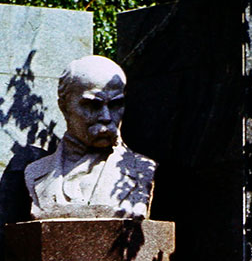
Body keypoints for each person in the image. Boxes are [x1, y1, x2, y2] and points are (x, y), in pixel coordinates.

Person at [24, 55, 156, 220]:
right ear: (64, 107)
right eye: (93, 105)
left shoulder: (142, 170)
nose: (106, 117)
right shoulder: (34, 172)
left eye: (115, 105)